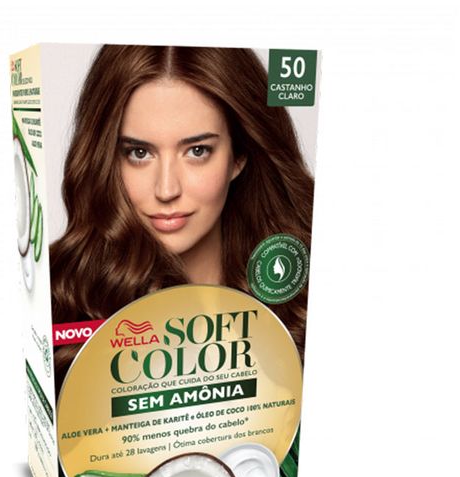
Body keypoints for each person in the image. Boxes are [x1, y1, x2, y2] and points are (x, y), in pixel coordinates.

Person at [50, 45, 314, 392]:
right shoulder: (63, 299)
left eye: (197, 151)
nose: (166, 189)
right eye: (139, 153)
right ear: (107, 160)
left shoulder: (303, 293)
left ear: (238, 156)